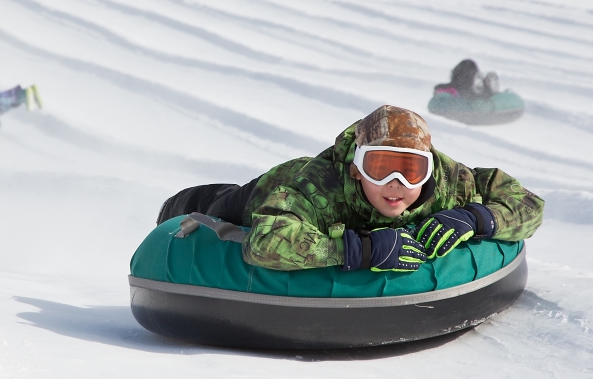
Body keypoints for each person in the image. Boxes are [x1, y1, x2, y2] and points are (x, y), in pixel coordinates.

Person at [157, 105, 543, 273]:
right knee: (211, 204)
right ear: (357, 169)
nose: (398, 185)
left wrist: (477, 217)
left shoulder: (451, 182)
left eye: (412, 170)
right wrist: (357, 249)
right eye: (380, 167)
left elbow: (527, 202)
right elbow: (266, 242)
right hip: (260, 196)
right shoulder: (315, 186)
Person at [434, 59, 500, 99]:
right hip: (465, 91)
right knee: (478, 95)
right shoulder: (453, 89)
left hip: (465, 90)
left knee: (476, 95)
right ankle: (487, 88)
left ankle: (487, 88)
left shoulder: (453, 87)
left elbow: (439, 90)